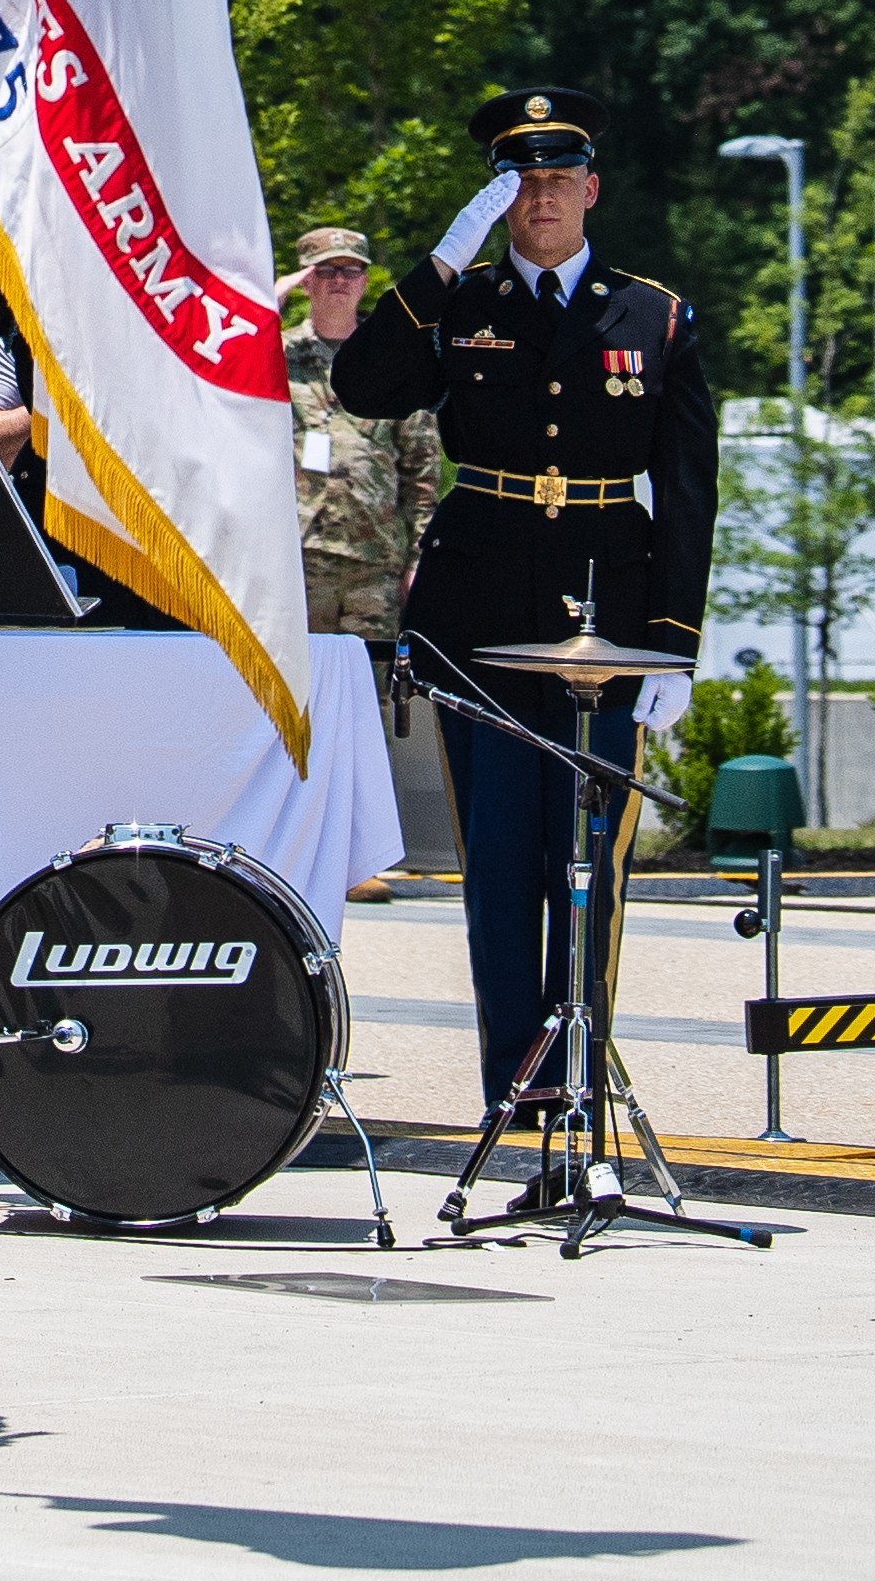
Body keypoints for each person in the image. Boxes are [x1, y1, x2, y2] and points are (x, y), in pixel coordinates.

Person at [318, 84, 723, 1116]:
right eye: (522, 182)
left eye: (558, 178)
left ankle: (579, 1080)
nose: (542, 198)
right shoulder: (465, 302)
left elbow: (686, 494)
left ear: (592, 188)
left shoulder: (655, 313)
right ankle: (515, 1091)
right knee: (500, 870)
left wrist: (674, 644)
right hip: (478, 619)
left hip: (606, 616)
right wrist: (442, 261)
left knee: (590, 868)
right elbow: (363, 385)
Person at [282, 225, 436, 646]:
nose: (339, 282)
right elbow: (228, 385)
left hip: (374, 565)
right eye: (327, 271)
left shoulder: (390, 358)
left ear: (365, 282)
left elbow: (422, 475)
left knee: (370, 695)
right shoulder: (275, 355)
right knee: (297, 697)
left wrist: (418, 560)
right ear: (306, 280)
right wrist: (267, 305)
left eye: (350, 272)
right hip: (297, 559)